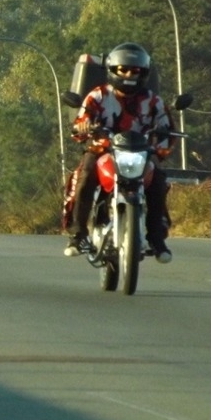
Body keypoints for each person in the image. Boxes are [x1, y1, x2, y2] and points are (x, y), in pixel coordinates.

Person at [64, 43, 176, 263]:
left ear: (143, 73)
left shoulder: (154, 101)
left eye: (134, 71)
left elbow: (166, 128)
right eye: (122, 70)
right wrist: (84, 126)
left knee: (159, 181)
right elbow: (81, 120)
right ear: (112, 71)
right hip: (102, 149)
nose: (128, 75)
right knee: (85, 175)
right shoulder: (98, 95)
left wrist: (160, 147)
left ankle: (156, 238)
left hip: (140, 154)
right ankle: (78, 235)